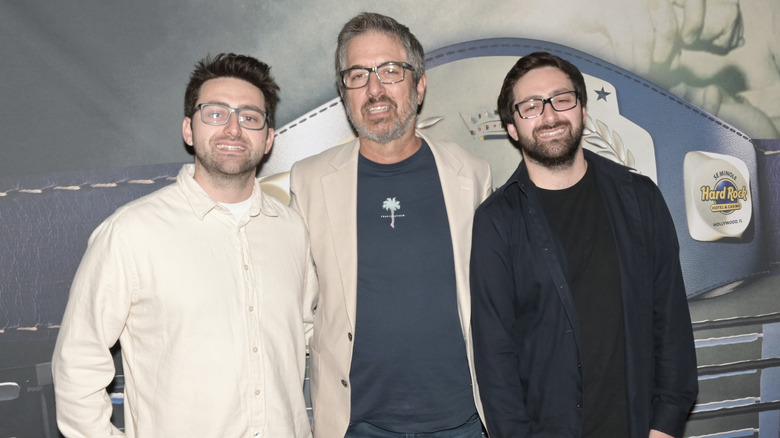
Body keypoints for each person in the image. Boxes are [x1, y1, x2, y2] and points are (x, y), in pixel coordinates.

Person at [52, 53, 317, 437]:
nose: (232, 128)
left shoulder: (292, 230)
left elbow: (308, 333)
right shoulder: (130, 233)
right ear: (189, 130)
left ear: (268, 138)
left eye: (249, 117)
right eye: (215, 113)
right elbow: (77, 363)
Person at [470, 51, 698, 438]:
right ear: (512, 128)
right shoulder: (496, 222)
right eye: (530, 106)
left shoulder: (640, 199)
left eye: (562, 99)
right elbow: (495, 357)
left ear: (582, 110)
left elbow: (671, 320)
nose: (550, 114)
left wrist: (666, 424)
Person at [289, 12, 493, 438]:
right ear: (344, 94)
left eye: (390, 70)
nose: (374, 88)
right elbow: (299, 307)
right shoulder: (309, 181)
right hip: (357, 424)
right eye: (358, 74)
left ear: (418, 85)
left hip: (461, 421)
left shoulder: (471, 174)